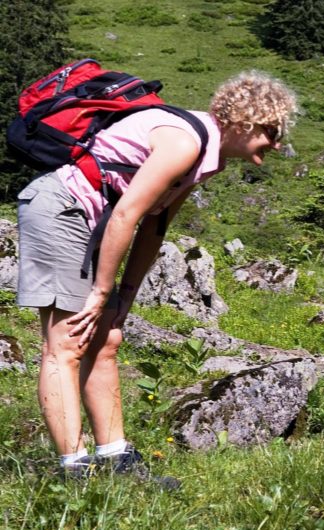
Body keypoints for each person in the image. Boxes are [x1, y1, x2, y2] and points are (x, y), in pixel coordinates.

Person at [16, 71, 299, 487]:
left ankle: (116, 461)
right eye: (271, 131)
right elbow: (129, 213)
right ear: (245, 122)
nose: (276, 144)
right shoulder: (184, 142)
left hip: (93, 220)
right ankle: (74, 472)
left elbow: (155, 226)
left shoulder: (206, 155)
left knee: (107, 338)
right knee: (66, 344)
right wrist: (100, 292)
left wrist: (124, 297)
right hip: (61, 209)